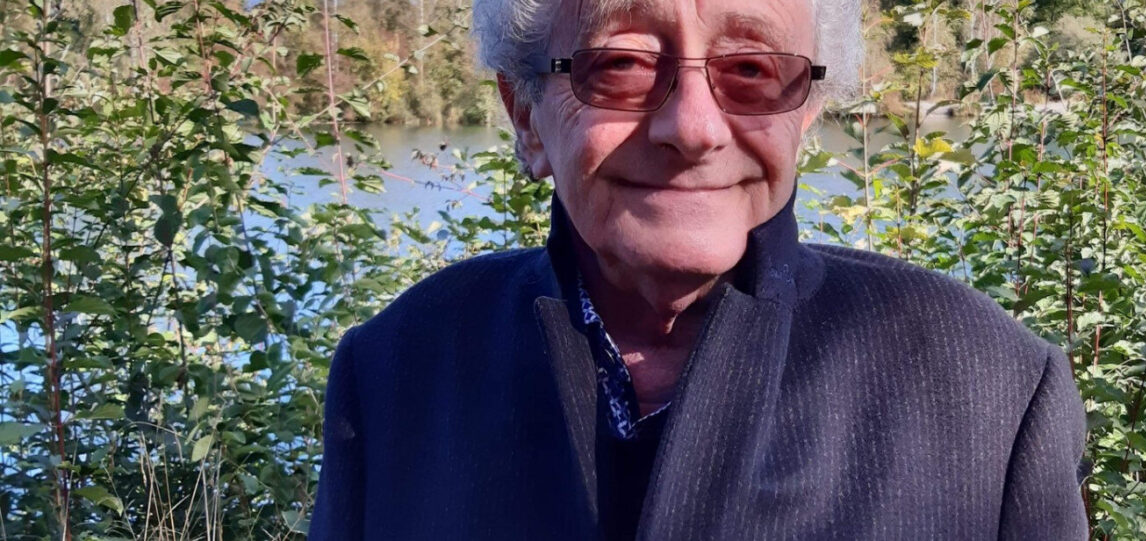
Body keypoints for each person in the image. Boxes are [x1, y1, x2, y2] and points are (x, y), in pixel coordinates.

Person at [309, 0, 1090, 539]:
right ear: (525, 116)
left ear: (805, 114)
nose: (693, 126)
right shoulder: (399, 369)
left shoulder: (988, 391)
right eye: (621, 63)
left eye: (751, 68)